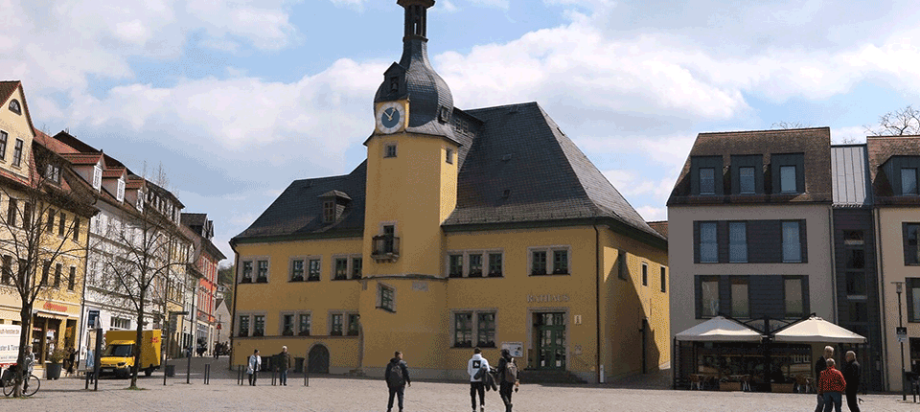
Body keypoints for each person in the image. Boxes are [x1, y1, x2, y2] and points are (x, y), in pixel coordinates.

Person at [467, 348, 491, 412]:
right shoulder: (484, 360)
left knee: (473, 394)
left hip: (473, 380)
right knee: (481, 393)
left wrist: (473, 374)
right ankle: (482, 405)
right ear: (480, 352)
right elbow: (488, 370)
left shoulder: (470, 361)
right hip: (481, 380)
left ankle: (474, 408)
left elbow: (469, 371)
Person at [815, 346, 834, 412]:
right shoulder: (820, 361)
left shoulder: (831, 362)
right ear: (824, 352)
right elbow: (818, 372)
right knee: (821, 403)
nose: (829, 354)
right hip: (821, 385)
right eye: (828, 352)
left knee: (829, 404)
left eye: (831, 352)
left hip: (830, 386)